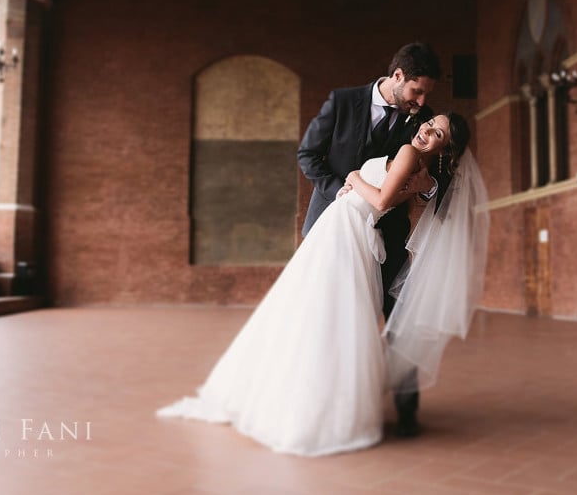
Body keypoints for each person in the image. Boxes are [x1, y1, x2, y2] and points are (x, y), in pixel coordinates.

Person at [157, 113, 487, 457]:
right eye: (429, 123)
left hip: (347, 227)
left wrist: (354, 177)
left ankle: (301, 401)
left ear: (445, 149)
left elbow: (380, 201)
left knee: (314, 311)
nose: (426, 130)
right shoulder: (419, 168)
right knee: (324, 312)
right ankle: (321, 403)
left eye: (437, 134)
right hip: (346, 227)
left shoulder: (409, 155)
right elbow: (396, 196)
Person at [297, 41, 442, 437]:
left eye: (426, 94)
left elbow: (432, 175)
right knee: (328, 321)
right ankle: (324, 406)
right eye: (416, 91)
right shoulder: (343, 102)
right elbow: (308, 155)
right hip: (334, 227)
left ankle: (406, 412)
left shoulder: (423, 121)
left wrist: (425, 188)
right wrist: (341, 191)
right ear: (397, 76)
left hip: (388, 236)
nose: (421, 102)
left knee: (400, 319)